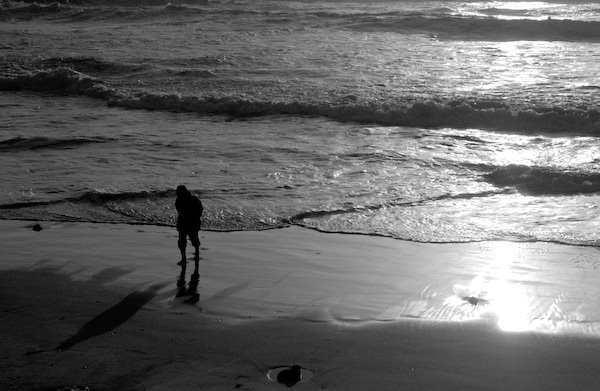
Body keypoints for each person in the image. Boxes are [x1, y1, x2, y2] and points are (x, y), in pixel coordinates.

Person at [175, 185, 203, 269]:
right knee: (187, 241)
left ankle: (190, 256)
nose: (176, 193)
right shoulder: (193, 199)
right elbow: (200, 210)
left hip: (188, 223)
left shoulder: (182, 200)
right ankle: (190, 256)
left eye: (178, 191)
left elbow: (199, 210)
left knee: (187, 241)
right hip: (190, 223)